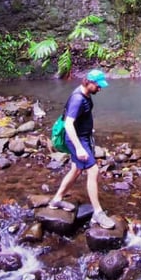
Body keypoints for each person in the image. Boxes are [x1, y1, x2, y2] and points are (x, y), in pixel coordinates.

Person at [48, 68, 116, 229]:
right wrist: (79, 148)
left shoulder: (85, 94)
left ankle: (56, 200)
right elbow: (68, 124)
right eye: (98, 86)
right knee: (93, 171)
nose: (100, 89)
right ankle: (98, 213)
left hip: (83, 138)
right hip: (77, 140)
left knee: (76, 169)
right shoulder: (78, 99)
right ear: (89, 82)